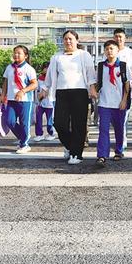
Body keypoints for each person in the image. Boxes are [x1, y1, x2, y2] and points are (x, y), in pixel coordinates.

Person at [40, 30, 97, 164]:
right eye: (65, 39)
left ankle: (76, 154)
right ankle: (70, 146)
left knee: (79, 124)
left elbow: (90, 74)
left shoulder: (84, 55)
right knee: (59, 123)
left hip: (80, 92)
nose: (68, 41)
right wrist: (44, 89)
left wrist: (92, 88)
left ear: (77, 40)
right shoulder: (56, 57)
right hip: (62, 93)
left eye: (71, 39)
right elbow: (50, 76)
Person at [94, 40, 130, 168]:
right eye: (107, 49)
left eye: (112, 48)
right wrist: (94, 92)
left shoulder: (123, 66)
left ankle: (119, 151)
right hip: (104, 103)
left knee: (119, 129)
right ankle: (102, 155)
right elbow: (97, 83)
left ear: (117, 50)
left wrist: (124, 100)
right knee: (103, 129)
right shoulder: (100, 66)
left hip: (119, 104)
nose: (109, 51)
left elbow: (127, 84)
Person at [0, 45, 38, 154]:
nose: (16, 55)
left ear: (25, 56)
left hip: (25, 100)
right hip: (11, 100)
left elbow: (34, 84)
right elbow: (6, 82)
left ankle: (24, 145)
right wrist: (3, 95)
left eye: (19, 53)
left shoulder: (29, 69)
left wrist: (23, 91)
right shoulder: (9, 68)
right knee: (9, 121)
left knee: (24, 123)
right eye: (15, 53)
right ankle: (23, 138)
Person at [113, 28, 132, 150]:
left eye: (120, 37)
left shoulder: (130, 53)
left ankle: (123, 140)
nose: (118, 39)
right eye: (116, 36)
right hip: (112, 88)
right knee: (114, 117)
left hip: (126, 86)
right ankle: (119, 137)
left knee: (124, 116)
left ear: (125, 38)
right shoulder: (109, 50)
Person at [33, 62, 56, 142]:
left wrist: (45, 93)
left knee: (50, 120)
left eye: (47, 68)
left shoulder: (53, 78)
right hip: (40, 102)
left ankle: (51, 133)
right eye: (44, 68)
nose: (46, 70)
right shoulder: (39, 78)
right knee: (38, 119)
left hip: (50, 102)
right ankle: (39, 134)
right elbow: (37, 90)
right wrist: (37, 99)